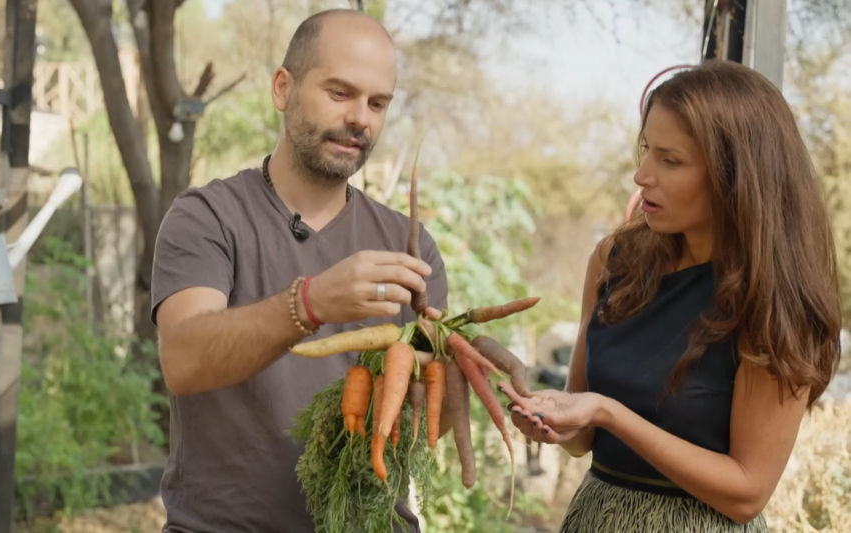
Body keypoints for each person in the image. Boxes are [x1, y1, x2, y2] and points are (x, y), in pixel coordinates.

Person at [501, 60, 841, 532]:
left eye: (670, 160)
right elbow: (583, 437)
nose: (642, 176)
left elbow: (746, 493)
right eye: (646, 151)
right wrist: (554, 420)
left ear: (734, 176)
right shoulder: (613, 260)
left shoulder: (775, 304)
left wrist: (611, 414)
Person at [150, 9, 447, 532]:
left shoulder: (410, 244)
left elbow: (422, 418)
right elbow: (183, 358)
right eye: (340, 93)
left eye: (377, 103)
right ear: (283, 88)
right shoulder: (208, 217)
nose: (361, 118)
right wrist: (310, 303)